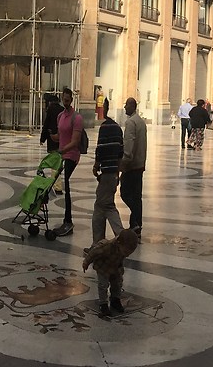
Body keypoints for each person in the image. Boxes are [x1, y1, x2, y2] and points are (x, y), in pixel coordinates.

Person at [47, 93, 86, 238]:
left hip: (71, 155)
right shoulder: (60, 116)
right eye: (64, 100)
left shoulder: (77, 118)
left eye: (68, 100)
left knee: (67, 186)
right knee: (59, 184)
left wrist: (63, 150)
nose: (66, 102)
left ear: (72, 100)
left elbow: (75, 141)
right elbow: (61, 136)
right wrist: (52, 136)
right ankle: (66, 219)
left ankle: (68, 221)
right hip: (62, 154)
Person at [82, 227, 139, 318]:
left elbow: (120, 258)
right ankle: (103, 304)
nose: (127, 255)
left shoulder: (123, 247)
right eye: (125, 252)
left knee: (117, 283)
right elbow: (93, 252)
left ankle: (115, 300)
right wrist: (86, 262)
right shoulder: (106, 246)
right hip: (103, 267)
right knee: (103, 285)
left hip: (116, 267)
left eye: (129, 253)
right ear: (119, 243)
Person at [91, 102, 126, 243]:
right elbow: (120, 152)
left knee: (107, 206)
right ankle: (98, 242)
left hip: (106, 173)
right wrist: (118, 173)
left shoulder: (104, 128)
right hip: (112, 173)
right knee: (101, 206)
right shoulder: (117, 128)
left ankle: (121, 236)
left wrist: (96, 165)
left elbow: (101, 149)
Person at [119, 97, 147, 230]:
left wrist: (124, 163)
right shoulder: (141, 122)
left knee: (124, 193)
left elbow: (128, 145)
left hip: (132, 165)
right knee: (137, 195)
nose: (125, 107)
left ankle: (135, 217)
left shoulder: (130, 123)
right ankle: (136, 224)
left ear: (132, 106)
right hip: (140, 163)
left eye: (126, 105)